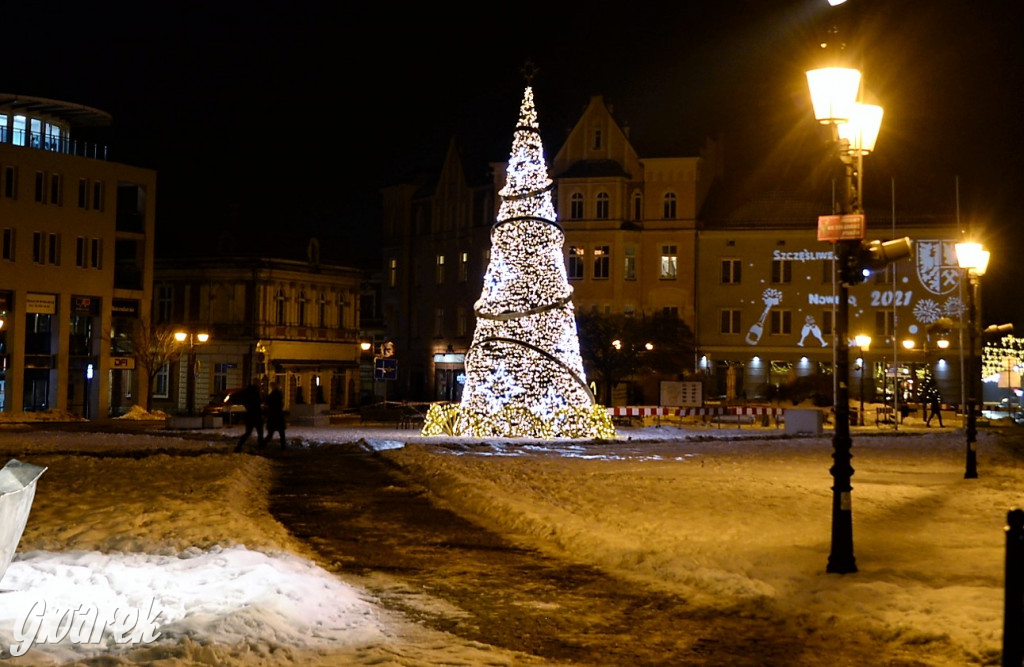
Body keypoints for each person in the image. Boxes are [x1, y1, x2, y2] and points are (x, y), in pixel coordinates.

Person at [232, 384, 264, 452]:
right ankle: (261, 447)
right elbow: (258, 404)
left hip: (249, 416)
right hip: (256, 416)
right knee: (260, 433)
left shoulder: (246, 395)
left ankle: (239, 446)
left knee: (248, 433)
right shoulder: (255, 395)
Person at [263, 381, 287, 450]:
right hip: (278, 416)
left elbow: (267, 402)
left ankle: (262, 445)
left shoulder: (272, 395)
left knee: (270, 434)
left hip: (273, 416)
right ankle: (283, 448)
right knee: (282, 434)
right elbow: (281, 404)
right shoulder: (279, 394)